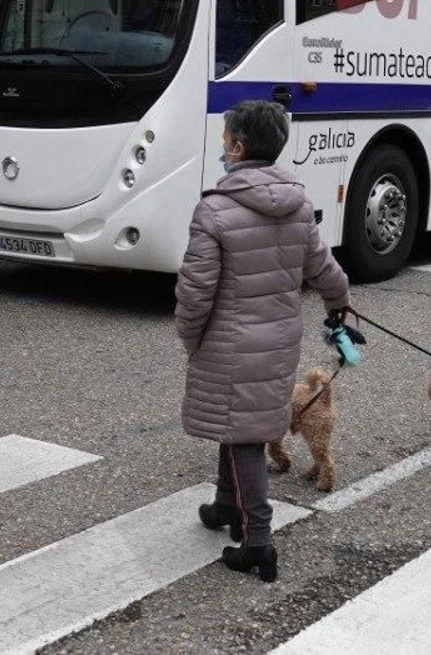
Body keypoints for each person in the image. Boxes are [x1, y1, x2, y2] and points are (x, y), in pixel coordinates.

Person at [175, 100, 350, 583]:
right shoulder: (296, 205)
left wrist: (191, 338)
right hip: (278, 339)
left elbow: (195, 290)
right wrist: (339, 305)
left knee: (245, 436)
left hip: (228, 342)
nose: (221, 148)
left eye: (224, 140)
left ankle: (258, 543)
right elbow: (324, 269)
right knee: (241, 424)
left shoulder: (214, 209)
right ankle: (225, 505)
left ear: (238, 146)